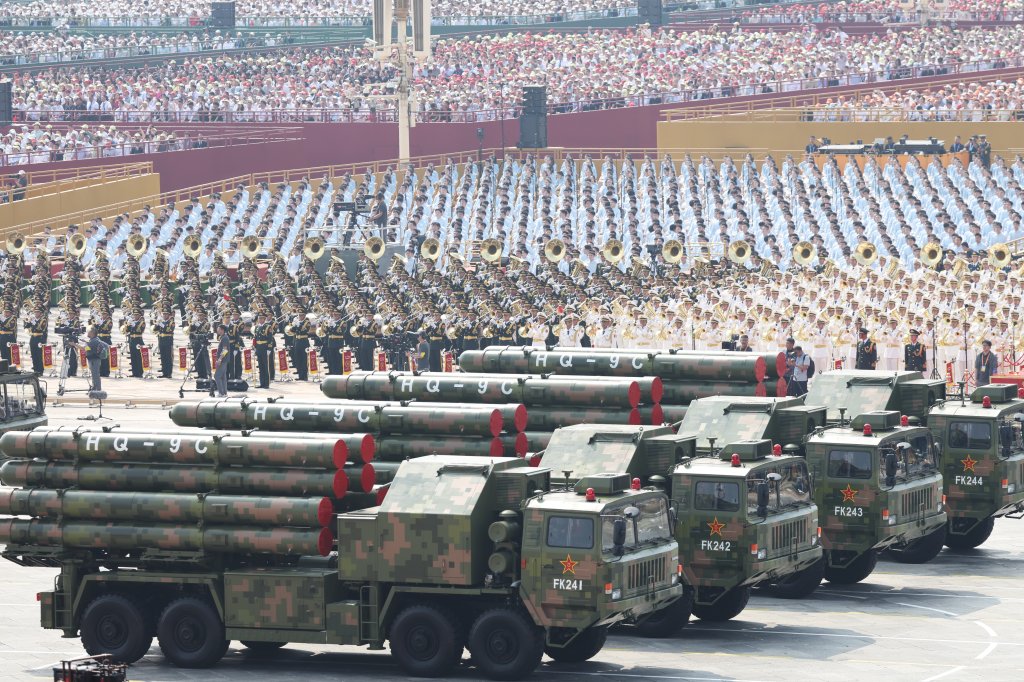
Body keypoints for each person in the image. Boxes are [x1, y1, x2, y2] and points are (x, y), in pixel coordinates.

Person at [81, 326, 110, 392]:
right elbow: (89, 348)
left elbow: (84, 348)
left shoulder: (93, 341)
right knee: (94, 374)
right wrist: (86, 342)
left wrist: (74, 344)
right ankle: (94, 388)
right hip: (93, 359)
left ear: (92, 333)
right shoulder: (94, 339)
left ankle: (98, 389)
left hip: (94, 360)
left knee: (95, 375)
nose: (87, 333)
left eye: (88, 332)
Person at [213, 323, 230, 397]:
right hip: (224, 360)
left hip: (223, 360)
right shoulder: (223, 337)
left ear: (222, 330)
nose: (217, 330)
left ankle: (221, 393)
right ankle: (224, 393)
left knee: (217, 376)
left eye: (219, 329)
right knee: (223, 377)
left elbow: (225, 350)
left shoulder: (225, 338)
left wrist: (220, 359)